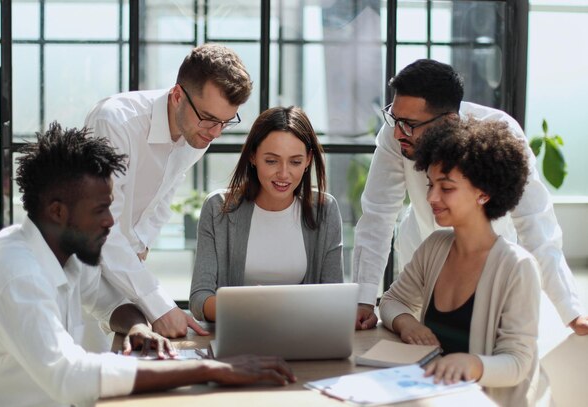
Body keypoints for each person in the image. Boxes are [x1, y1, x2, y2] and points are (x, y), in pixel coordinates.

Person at [0, 123, 295, 407]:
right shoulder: (17, 272)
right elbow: (70, 375)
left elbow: (106, 299)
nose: (110, 221)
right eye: (100, 210)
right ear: (57, 211)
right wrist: (211, 369)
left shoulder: (63, 250)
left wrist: (137, 327)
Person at [353, 59, 588, 334]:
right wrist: (364, 300)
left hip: (490, 257)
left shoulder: (499, 132)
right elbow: (378, 214)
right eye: (394, 118)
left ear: (449, 120)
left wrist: (572, 311)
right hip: (419, 251)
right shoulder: (397, 134)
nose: (397, 132)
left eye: (408, 124)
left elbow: (536, 223)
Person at [84, 43, 253, 338]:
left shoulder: (197, 133)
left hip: (123, 266)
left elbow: (164, 196)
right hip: (80, 266)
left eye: (225, 123)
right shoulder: (115, 123)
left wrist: (141, 245)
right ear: (177, 96)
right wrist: (160, 305)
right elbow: (99, 228)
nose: (214, 133)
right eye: (209, 118)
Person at [379, 118, 544, 407]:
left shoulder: (517, 267)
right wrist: (408, 324)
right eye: (431, 184)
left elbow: (517, 362)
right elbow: (392, 301)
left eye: (446, 188)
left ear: (483, 193)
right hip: (436, 397)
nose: (431, 197)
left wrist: (471, 364)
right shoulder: (435, 247)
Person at [189, 106, 344, 321]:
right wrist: (247, 308)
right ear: (253, 156)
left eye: (295, 162)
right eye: (271, 161)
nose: (283, 174)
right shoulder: (218, 208)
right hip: (238, 337)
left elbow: (334, 297)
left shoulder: (325, 210)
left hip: (303, 337)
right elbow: (199, 299)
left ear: (308, 160)